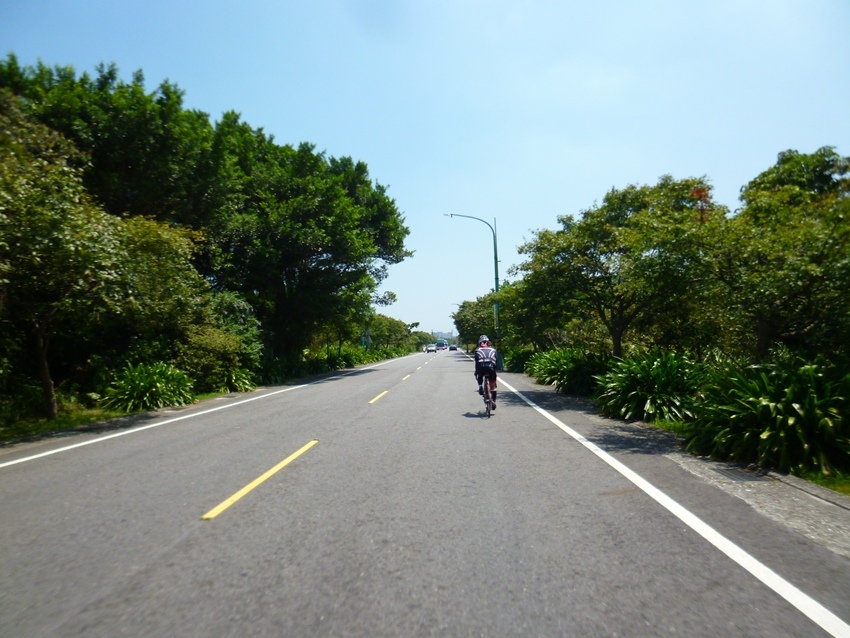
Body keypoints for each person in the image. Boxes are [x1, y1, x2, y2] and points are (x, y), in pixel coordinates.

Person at [473, 334, 498, 409]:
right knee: (493, 384)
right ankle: (493, 400)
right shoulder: (493, 350)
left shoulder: (477, 350)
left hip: (481, 367)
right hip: (491, 367)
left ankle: (480, 386)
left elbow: (477, 362)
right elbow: (496, 361)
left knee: (480, 375)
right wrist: (495, 371)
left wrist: (476, 372)